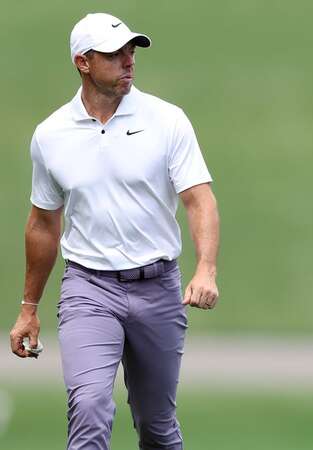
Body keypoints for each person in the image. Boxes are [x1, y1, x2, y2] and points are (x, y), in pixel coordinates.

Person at [8, 13, 219, 450]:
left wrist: (206, 269)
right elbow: (43, 224)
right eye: (114, 54)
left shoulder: (167, 120)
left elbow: (199, 199)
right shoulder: (51, 135)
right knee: (89, 408)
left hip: (158, 286)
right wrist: (29, 307)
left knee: (157, 425)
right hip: (88, 287)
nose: (128, 61)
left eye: (131, 51)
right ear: (83, 63)